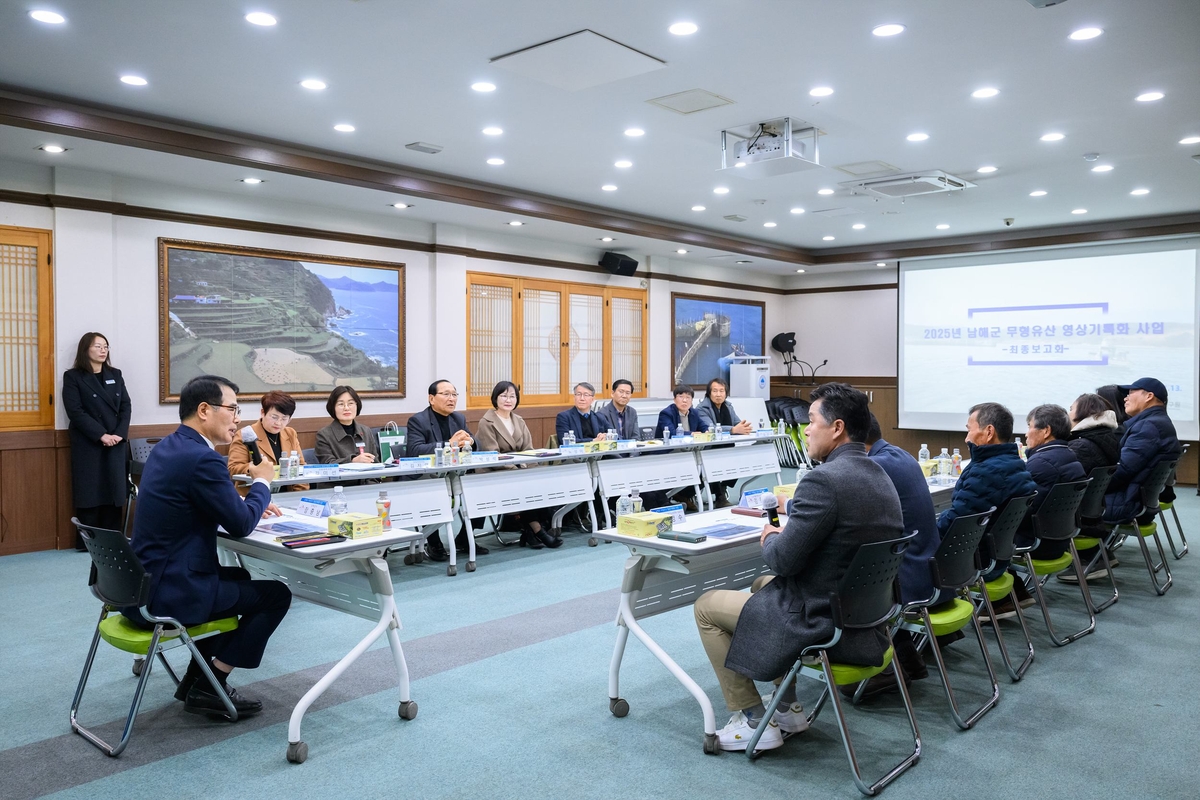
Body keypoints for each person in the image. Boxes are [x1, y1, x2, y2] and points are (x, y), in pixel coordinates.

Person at [692, 383, 903, 752]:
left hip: (823, 621)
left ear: (837, 428)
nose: (805, 430)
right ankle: (788, 709)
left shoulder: (824, 480)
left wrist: (770, 536)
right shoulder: (879, 473)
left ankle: (755, 720)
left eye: (811, 421)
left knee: (707, 606)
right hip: (867, 620)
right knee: (762, 584)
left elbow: (783, 559)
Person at [124, 375, 289, 719]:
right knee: (277, 595)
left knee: (240, 577)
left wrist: (241, 499)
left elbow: (199, 501)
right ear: (204, 410)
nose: (238, 418)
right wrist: (261, 482)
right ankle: (213, 679)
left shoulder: (170, 447)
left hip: (137, 586)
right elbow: (241, 525)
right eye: (233, 409)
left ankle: (195, 679)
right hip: (169, 593)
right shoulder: (203, 458)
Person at [978, 404, 1086, 621]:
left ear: (1045, 431)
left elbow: (1020, 514)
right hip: (1061, 538)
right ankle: (1015, 591)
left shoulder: (1041, 463)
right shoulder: (1068, 455)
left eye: (1029, 427)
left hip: (1039, 541)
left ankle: (1003, 598)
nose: (1026, 433)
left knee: (980, 529)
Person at [937, 403, 1037, 629]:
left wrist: (926, 533)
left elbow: (956, 523)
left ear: (989, 431)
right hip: (997, 556)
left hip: (971, 561)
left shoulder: (987, 471)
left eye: (969, 429)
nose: (966, 438)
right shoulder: (1015, 464)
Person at [859, 413, 938, 692]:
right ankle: (906, 657)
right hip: (929, 570)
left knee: (848, 577)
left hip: (907, 581)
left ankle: (879, 670)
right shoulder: (901, 455)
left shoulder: (874, 467)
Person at [61, 332, 132, 547]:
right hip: (89, 442)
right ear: (86, 350)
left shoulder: (115, 374)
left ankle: (113, 540)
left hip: (116, 442)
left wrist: (119, 434)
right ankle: (88, 543)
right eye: (98, 346)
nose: (103, 350)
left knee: (114, 491)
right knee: (90, 491)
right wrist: (101, 435)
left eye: (106, 346)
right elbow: (75, 411)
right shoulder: (73, 377)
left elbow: (125, 406)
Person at [475, 381, 561, 549]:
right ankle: (537, 531)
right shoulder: (486, 422)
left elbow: (528, 449)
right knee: (523, 486)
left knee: (542, 482)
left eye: (512, 396)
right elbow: (493, 455)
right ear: (495, 398)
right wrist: (517, 468)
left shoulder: (519, 420)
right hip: (494, 472)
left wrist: (528, 467)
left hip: (518, 470)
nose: (508, 400)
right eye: (504, 396)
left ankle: (531, 531)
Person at [406, 379, 483, 561]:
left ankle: (464, 538)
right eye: (446, 394)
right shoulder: (418, 421)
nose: (451, 399)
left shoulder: (458, 418)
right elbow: (415, 451)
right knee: (433, 490)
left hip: (453, 474)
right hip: (426, 476)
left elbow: (475, 443)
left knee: (480, 487)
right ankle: (433, 542)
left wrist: (471, 442)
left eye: (454, 394)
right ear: (431, 398)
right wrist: (449, 444)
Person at [1058, 393, 1123, 583]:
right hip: (1092, 513)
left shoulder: (1081, 445)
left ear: (1084, 412)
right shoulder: (1103, 437)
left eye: (1071, 408)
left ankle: (1089, 558)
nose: (1068, 413)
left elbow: (1059, 479)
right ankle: (1097, 555)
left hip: (1077, 517)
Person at [1103, 377, 1181, 525]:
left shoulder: (1148, 427)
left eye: (1131, 393)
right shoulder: (1158, 422)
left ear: (1149, 396)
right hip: (1136, 500)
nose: (1125, 398)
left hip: (1125, 503)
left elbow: (1122, 470)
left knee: (1057, 504)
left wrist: (1092, 490)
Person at [227, 391, 309, 494]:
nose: (278, 423)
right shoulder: (246, 434)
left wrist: (299, 495)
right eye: (274, 417)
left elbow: (300, 466)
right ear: (263, 413)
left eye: (284, 419)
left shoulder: (290, 433)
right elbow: (233, 468)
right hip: (255, 495)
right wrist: (257, 469)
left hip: (287, 494)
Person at [695, 377, 752, 507]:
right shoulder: (701, 408)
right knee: (713, 462)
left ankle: (723, 487)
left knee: (738, 461)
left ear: (726, 393)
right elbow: (710, 428)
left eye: (722, 391)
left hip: (726, 446)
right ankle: (719, 495)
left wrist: (744, 427)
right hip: (708, 449)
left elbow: (737, 422)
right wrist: (733, 430)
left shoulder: (728, 406)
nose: (718, 394)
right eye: (715, 391)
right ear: (709, 393)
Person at [656, 385, 711, 511]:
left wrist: (707, 432)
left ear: (692, 401)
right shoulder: (666, 413)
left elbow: (704, 428)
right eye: (681, 397)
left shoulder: (694, 413)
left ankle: (682, 495)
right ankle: (675, 495)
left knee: (705, 469)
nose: (684, 400)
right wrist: (692, 434)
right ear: (675, 399)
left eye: (688, 397)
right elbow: (671, 433)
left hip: (687, 453)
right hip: (667, 454)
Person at [315, 386, 381, 465]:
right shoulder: (324, 435)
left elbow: (376, 462)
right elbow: (328, 464)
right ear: (333, 408)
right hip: (342, 477)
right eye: (341, 404)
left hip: (368, 477)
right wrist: (352, 461)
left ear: (357, 405)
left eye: (350, 403)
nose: (346, 408)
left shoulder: (366, 431)